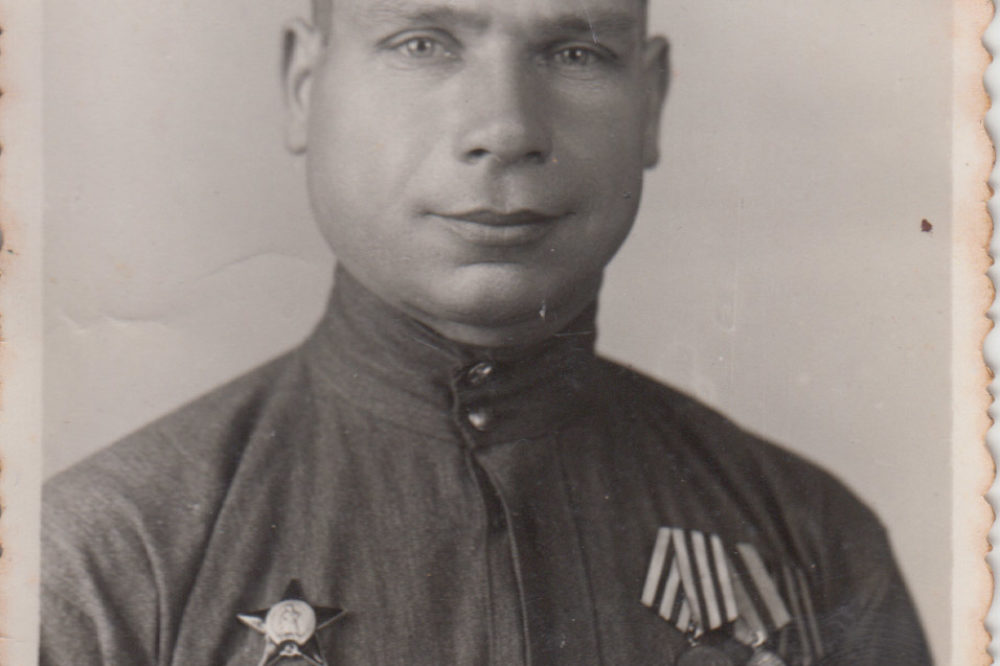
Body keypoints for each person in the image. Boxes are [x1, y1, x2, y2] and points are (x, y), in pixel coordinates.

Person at [41, 0, 933, 664]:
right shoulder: (105, 560)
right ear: (303, 86)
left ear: (652, 102)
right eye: (423, 43)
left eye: (576, 51)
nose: (505, 129)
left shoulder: (814, 542)